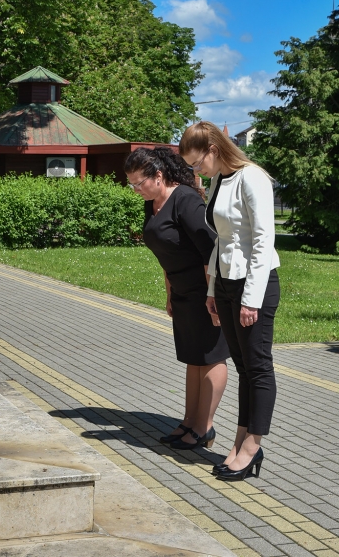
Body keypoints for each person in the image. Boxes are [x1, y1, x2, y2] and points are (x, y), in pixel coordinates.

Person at [179, 121, 280, 481]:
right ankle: (239, 442)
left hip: (255, 285)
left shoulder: (252, 178)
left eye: (196, 162)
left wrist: (250, 300)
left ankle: (252, 445)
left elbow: (262, 241)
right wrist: (212, 292)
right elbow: (222, 241)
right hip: (225, 283)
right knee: (243, 369)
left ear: (214, 150)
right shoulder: (220, 179)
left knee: (257, 366)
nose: (195, 170)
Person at [124, 146, 229, 451]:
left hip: (206, 291)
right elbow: (167, 254)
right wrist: (170, 292)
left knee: (210, 358)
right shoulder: (153, 202)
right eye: (131, 184)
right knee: (193, 359)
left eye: (139, 183)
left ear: (159, 175)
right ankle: (189, 422)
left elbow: (212, 249)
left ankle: (204, 427)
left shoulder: (184, 200)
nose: (136, 190)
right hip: (182, 291)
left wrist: (213, 296)